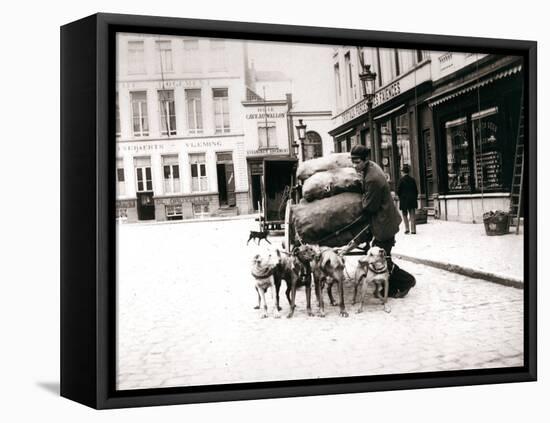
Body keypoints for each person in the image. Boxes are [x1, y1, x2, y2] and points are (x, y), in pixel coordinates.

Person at [349, 144, 414, 298]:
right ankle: (389, 289)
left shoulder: (372, 178)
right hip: (383, 221)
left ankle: (407, 281)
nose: (354, 165)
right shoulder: (369, 169)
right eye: (353, 161)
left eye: (357, 162)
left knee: (380, 257)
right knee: (381, 255)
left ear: (366, 160)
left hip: (383, 223)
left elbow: (370, 207)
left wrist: (361, 202)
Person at [396, 164, 419, 234]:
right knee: (412, 214)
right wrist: (415, 197)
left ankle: (407, 229)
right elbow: (416, 191)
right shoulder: (412, 180)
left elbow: (398, 191)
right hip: (412, 200)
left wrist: (400, 197)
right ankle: (413, 230)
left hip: (404, 200)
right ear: (408, 172)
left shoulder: (401, 180)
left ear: (403, 172)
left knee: (404, 214)